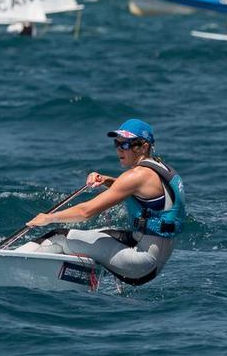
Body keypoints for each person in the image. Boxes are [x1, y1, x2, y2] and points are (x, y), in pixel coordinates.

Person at [19, 118, 185, 285]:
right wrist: (107, 181)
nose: (119, 150)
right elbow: (138, 192)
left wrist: (48, 218)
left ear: (144, 147)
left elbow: (86, 212)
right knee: (102, 233)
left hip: (141, 263)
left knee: (57, 236)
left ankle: (16, 267)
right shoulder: (161, 168)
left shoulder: (137, 176)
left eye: (125, 145)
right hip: (150, 255)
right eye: (117, 143)